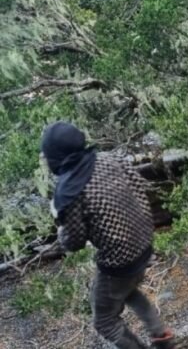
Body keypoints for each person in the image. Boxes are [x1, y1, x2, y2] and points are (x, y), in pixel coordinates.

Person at [41, 122, 177, 349]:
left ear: (55, 155)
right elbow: (138, 188)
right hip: (143, 242)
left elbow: (73, 243)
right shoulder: (108, 158)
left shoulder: (70, 191)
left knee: (104, 320)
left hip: (119, 262)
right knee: (128, 291)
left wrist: (59, 220)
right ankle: (162, 337)